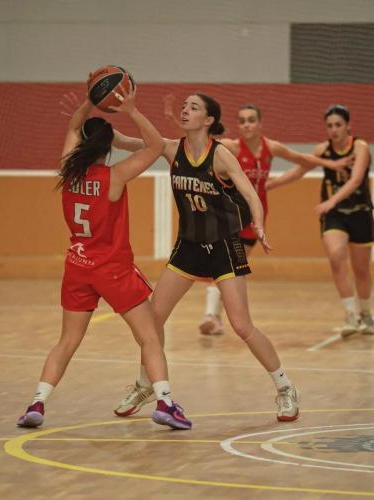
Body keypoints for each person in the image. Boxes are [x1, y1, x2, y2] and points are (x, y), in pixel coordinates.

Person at [112, 93, 300, 422]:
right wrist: (104, 120)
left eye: (194, 107)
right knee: (153, 320)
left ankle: (285, 388)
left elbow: (250, 192)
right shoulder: (171, 149)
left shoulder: (221, 155)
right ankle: (145, 384)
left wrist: (259, 222)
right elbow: (132, 142)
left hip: (223, 246)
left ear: (209, 119)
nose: (185, 110)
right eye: (184, 106)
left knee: (242, 325)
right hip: (188, 246)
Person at [17, 85, 192, 430]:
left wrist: (89, 102)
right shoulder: (114, 175)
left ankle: (37, 403)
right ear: (108, 146)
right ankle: (165, 403)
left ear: (83, 144)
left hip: (77, 266)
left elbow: (71, 128)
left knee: (67, 340)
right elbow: (157, 146)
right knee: (150, 337)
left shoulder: (68, 169)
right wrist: (131, 109)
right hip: (112, 269)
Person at [164, 97, 352, 335]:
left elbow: (301, 160)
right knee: (222, 265)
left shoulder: (270, 147)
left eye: (251, 120)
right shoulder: (230, 147)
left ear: (260, 124)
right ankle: (211, 315)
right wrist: (174, 119)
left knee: (230, 268)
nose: (247, 125)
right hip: (229, 214)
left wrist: (330, 164)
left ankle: (220, 316)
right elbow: (193, 141)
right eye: (242, 121)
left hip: (254, 216)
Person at [266, 104, 374, 337]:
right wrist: (268, 186)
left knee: (362, 269)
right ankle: (351, 316)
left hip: (360, 212)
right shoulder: (322, 150)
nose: (334, 130)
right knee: (336, 257)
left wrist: (331, 200)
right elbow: (297, 172)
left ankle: (366, 314)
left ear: (348, 126)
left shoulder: (360, 147)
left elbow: (355, 181)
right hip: (334, 215)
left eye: (338, 125)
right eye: (329, 126)